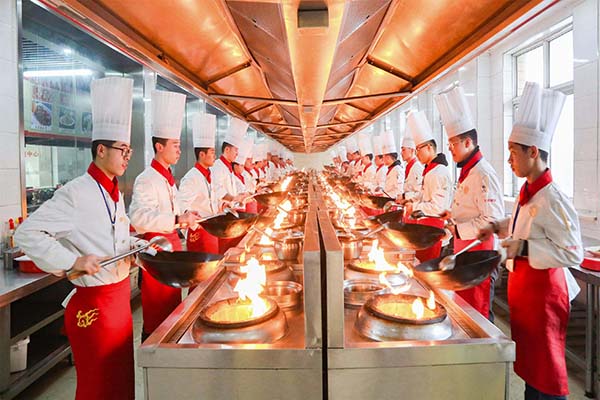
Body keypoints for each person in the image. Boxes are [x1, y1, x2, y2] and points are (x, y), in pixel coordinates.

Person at [15, 77, 137, 400]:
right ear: (101, 150)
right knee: (98, 388)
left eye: (129, 150)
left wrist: (133, 249)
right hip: (94, 311)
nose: (127, 156)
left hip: (119, 305)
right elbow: (26, 233)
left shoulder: (114, 193)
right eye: (122, 150)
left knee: (121, 386)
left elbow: (111, 239)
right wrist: (72, 261)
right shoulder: (76, 193)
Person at [479, 82, 582, 400]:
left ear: (533, 152)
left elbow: (572, 252)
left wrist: (523, 248)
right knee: (530, 368)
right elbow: (526, 226)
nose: (509, 160)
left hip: (545, 296)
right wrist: (498, 226)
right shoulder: (528, 189)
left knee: (547, 372)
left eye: (513, 153)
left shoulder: (553, 197)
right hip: (525, 293)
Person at [129, 89, 199, 340]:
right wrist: (177, 220)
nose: (179, 151)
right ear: (159, 147)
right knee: (157, 315)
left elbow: (174, 209)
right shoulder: (146, 179)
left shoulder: (168, 178)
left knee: (171, 311)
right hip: (156, 254)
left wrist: (186, 215)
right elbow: (138, 217)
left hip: (172, 251)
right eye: (175, 146)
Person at [435, 86, 505, 320]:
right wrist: (452, 217)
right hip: (465, 250)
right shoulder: (468, 171)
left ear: (467, 142)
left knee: (479, 313)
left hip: (480, 255)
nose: (450, 149)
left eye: (453, 143)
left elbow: (492, 220)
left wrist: (458, 229)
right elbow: (472, 209)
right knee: (466, 310)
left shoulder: (483, 174)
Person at [403, 110, 452, 262]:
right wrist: (410, 200)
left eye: (419, 149)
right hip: (425, 227)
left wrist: (414, 206)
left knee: (426, 266)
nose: (417, 153)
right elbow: (424, 194)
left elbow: (437, 208)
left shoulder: (439, 172)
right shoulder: (430, 170)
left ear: (430, 147)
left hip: (433, 229)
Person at [177, 113, 220, 254]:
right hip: (199, 233)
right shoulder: (191, 178)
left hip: (212, 230)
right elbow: (181, 205)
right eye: (212, 152)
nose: (215, 156)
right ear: (202, 154)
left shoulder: (209, 174)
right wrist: (195, 225)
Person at [212, 117, 249, 253]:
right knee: (225, 251)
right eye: (235, 150)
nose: (237, 154)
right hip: (223, 219)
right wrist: (233, 198)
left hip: (232, 217)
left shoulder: (228, 168)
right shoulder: (217, 166)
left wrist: (241, 195)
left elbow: (234, 189)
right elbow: (217, 190)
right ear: (227, 149)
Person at [378, 130, 404, 198]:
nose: (382, 159)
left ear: (388, 157)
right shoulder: (391, 169)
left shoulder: (397, 170)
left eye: (383, 156)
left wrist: (386, 195)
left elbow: (399, 190)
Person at [399, 136, 423, 201]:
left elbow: (420, 193)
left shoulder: (417, 168)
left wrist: (404, 196)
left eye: (403, 150)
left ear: (412, 150)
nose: (401, 153)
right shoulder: (408, 166)